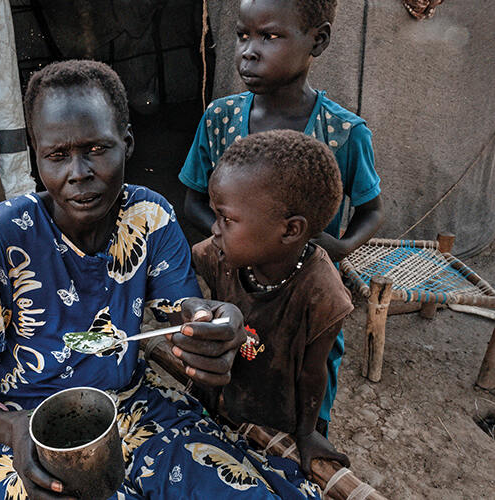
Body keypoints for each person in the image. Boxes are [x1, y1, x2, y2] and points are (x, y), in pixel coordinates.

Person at [0, 60, 322, 499]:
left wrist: (214, 326)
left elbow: (185, 311)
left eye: (97, 149)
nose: (79, 172)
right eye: (57, 155)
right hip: (23, 432)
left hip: (133, 407)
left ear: (127, 143)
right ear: (36, 156)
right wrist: (15, 429)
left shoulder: (148, 218)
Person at [178, 0, 383, 434]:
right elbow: (193, 201)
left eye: (269, 36)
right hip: (234, 293)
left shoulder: (344, 134)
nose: (248, 51)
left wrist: (340, 247)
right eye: (242, 35)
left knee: (300, 391)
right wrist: (233, 238)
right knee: (229, 389)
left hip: (302, 303)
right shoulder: (219, 120)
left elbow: (372, 211)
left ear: (318, 40)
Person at [193, 130, 354, 475]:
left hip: (283, 421)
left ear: (291, 230)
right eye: (215, 214)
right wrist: (205, 390)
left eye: (227, 218)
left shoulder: (323, 295)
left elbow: (313, 374)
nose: (214, 229)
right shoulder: (218, 256)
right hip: (229, 398)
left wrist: (307, 432)